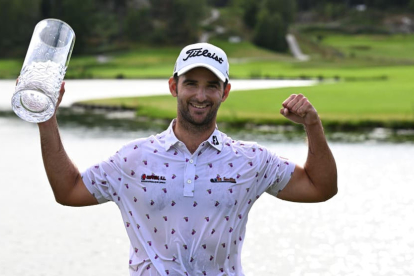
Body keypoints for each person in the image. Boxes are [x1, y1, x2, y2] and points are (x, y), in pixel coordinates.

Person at [37, 42, 337, 275]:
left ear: (226, 92)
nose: (201, 95)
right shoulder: (134, 158)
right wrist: (46, 116)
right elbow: (69, 190)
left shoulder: (250, 160)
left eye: (212, 85)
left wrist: (312, 125)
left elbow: (320, 187)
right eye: (191, 83)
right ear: (173, 87)